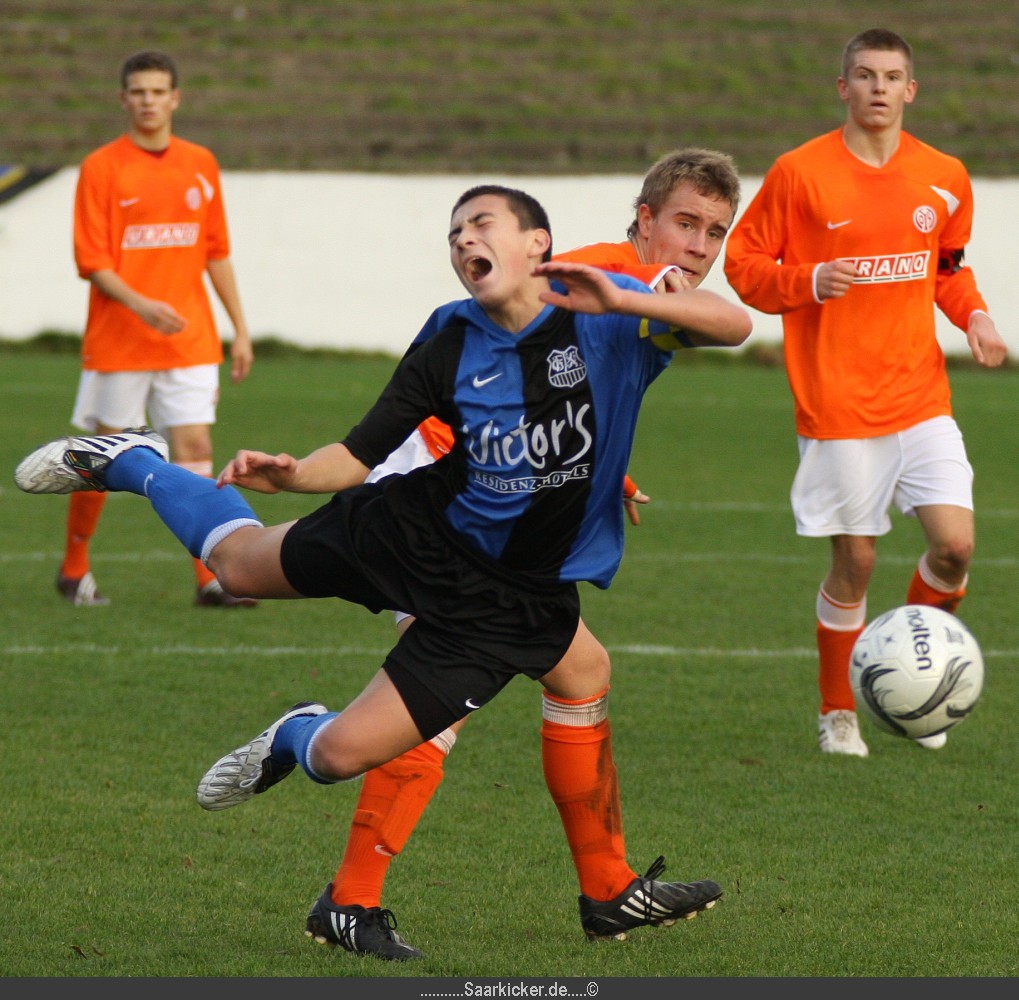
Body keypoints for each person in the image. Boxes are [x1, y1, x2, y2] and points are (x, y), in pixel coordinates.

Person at [17, 185, 752, 958]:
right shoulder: (451, 334)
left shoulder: (614, 307)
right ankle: (132, 460)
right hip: (411, 526)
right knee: (236, 566)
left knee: (348, 752)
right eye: (457, 229)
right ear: (641, 220)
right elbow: (361, 450)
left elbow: (733, 325)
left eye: (483, 223)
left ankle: (303, 740)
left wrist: (623, 317)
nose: (466, 238)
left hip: (509, 597)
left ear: (538, 243)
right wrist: (293, 472)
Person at [320, 148, 743, 958]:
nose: (696, 248)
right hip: (453, 483)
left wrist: (595, 475)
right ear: (644, 220)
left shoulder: (601, 277)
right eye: (684, 224)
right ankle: (350, 899)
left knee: (580, 672)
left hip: (493, 472)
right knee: (433, 688)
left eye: (714, 233)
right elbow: (731, 325)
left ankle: (607, 889)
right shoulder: (631, 284)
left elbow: (563, 395)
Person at [723, 28, 1007, 757]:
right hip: (838, 406)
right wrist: (805, 282)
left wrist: (972, 314)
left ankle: (915, 678)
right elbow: (744, 265)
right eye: (863, 75)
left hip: (919, 396)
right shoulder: (799, 173)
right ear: (841, 87)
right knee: (855, 562)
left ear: (910, 90)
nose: (877, 87)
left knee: (955, 547)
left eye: (891, 76)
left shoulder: (943, 175)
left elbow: (944, 266)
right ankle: (836, 710)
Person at [58, 49, 256, 608]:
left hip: (190, 339)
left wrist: (239, 329)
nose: (148, 101)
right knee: (104, 455)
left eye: (157, 91)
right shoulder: (102, 167)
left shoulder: (200, 162)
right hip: (120, 342)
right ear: (123, 99)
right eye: (137, 92)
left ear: (176, 98)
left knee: (193, 447)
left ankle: (208, 578)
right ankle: (74, 567)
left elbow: (216, 252)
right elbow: (91, 260)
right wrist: (142, 304)